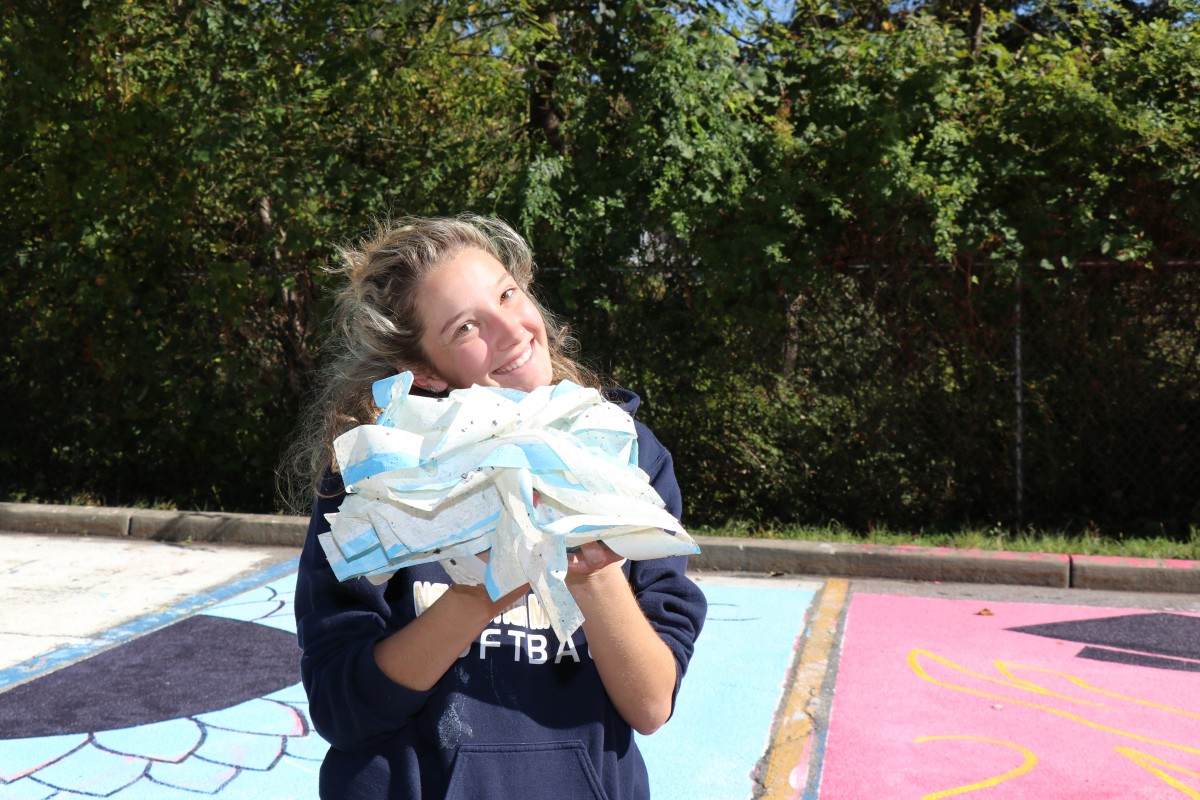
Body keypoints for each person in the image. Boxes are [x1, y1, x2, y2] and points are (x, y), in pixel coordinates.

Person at [284, 214, 707, 800]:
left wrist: (593, 568)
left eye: (508, 293)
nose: (512, 330)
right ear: (424, 372)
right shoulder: (372, 480)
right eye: (465, 327)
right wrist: (480, 593)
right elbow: (341, 707)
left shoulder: (627, 458)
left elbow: (651, 704)